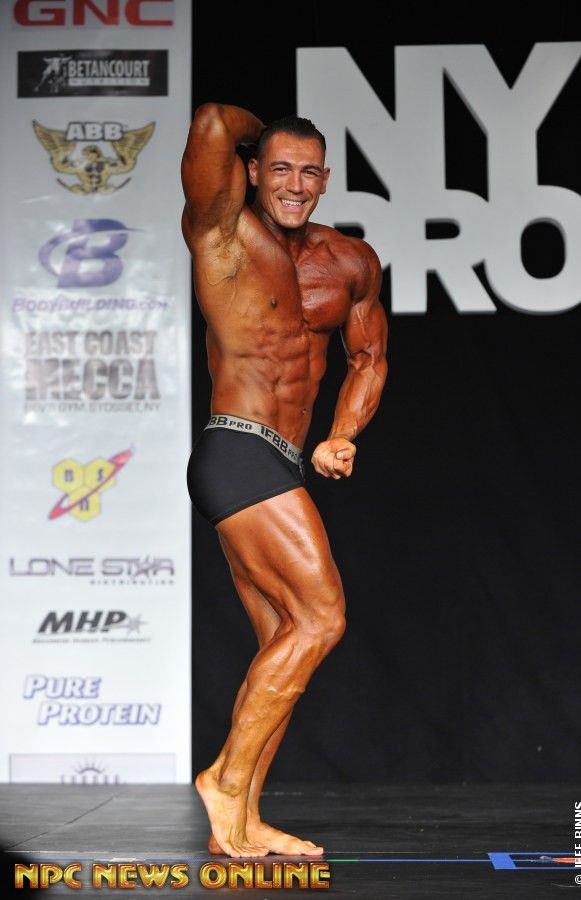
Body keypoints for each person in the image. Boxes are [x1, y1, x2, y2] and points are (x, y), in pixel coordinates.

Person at [181, 103, 388, 859]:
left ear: (325, 180)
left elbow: (369, 360)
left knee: (283, 640)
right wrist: (258, 131)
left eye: (308, 172)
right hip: (237, 449)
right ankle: (224, 780)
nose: (294, 185)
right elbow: (211, 122)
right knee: (322, 618)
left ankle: (241, 820)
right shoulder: (222, 233)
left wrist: (342, 434)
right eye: (279, 168)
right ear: (252, 171)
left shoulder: (350, 261)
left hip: (285, 459)